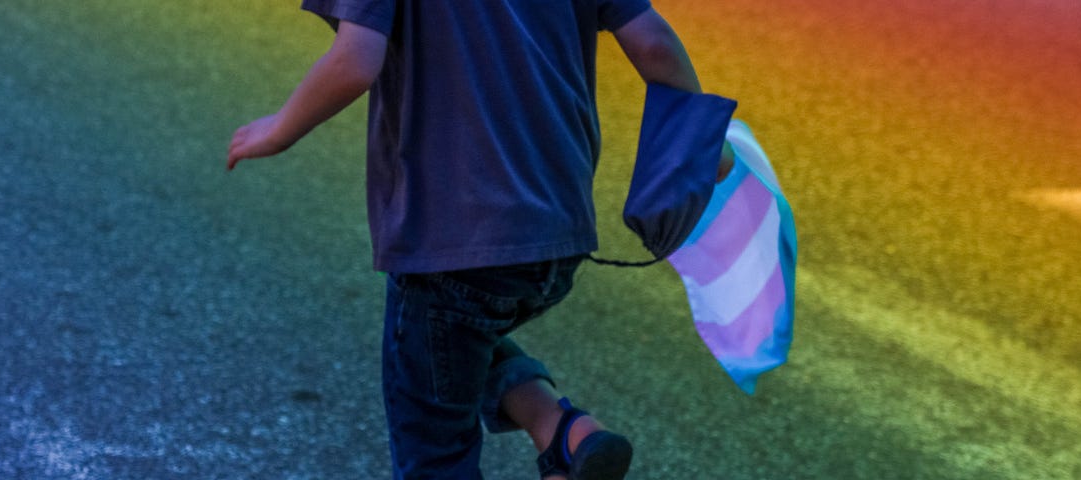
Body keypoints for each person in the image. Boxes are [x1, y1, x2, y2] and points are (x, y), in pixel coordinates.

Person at [227, 1, 722, 478]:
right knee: (455, 343)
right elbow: (653, 42)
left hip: (452, 242)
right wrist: (703, 138)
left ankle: (555, 426)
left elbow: (355, 60)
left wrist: (279, 129)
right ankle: (560, 429)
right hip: (557, 237)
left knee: (435, 436)